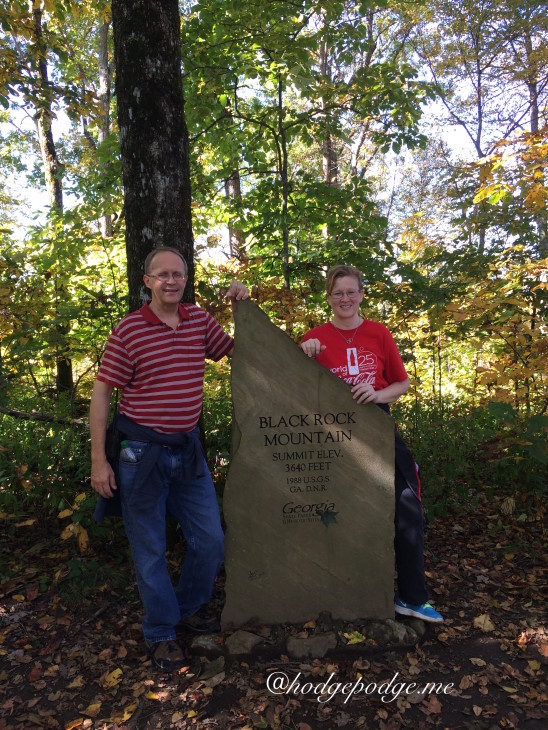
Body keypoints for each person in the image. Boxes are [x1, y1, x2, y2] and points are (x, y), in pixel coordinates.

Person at [90, 246, 249, 670]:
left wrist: (244, 308)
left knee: (211, 541)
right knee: (150, 550)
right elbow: (103, 393)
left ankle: (186, 608)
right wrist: (98, 461)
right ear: (147, 282)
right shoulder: (129, 330)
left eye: (178, 274)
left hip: (188, 451)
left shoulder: (198, 320)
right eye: (162, 275)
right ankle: (161, 631)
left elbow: (242, 352)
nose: (171, 281)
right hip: (140, 455)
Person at [300, 264, 443, 624]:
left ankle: (411, 597)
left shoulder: (378, 333)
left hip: (377, 426)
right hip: (331, 435)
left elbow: (402, 384)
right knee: (338, 513)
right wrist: (303, 354)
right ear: (329, 297)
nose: (345, 299)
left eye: (351, 292)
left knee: (407, 506)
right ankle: (333, 592)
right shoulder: (315, 337)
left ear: (362, 294)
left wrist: (377, 392)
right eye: (337, 293)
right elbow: (296, 390)